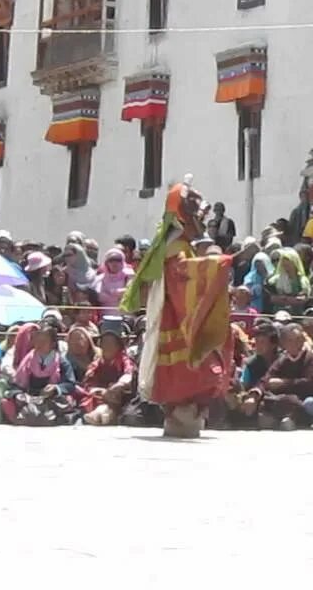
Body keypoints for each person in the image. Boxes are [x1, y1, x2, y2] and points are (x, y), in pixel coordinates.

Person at [119, 177, 235, 438]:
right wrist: (215, 265)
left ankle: (186, 417)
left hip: (181, 316)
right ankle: (182, 416)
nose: (202, 223)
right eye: (199, 216)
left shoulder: (176, 245)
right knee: (194, 373)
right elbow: (182, 274)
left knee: (194, 373)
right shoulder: (176, 248)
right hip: (178, 320)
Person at [4, 321, 79, 426]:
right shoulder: (28, 360)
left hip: (51, 398)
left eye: (43, 342)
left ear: (52, 344)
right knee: (8, 401)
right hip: (30, 397)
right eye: (37, 341)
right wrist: (18, 394)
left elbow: (70, 384)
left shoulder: (61, 362)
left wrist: (55, 388)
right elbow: (17, 384)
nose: (39, 345)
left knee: (65, 401)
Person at [258, 323, 313, 430]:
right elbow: (267, 378)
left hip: (302, 399)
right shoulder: (282, 360)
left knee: (294, 401)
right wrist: (255, 394)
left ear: (303, 340)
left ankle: (289, 419)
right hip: (282, 397)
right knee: (266, 399)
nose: (295, 344)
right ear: (283, 343)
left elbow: (310, 383)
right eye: (290, 340)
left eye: (298, 339)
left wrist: (284, 383)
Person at [81, 324, 137, 426]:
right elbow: (88, 381)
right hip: (101, 395)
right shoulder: (97, 363)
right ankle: (100, 414)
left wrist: (117, 386)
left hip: (118, 396)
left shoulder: (124, 361)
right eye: (105, 343)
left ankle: (105, 414)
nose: (107, 346)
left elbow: (129, 375)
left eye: (111, 343)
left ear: (118, 346)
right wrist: (100, 391)